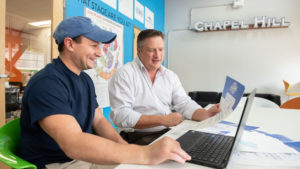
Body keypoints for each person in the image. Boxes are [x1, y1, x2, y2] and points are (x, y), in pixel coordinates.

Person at [18, 16, 191, 169]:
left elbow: (99, 120)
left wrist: (125, 148)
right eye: (93, 45)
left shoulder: (84, 80)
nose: (99, 53)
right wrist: (144, 153)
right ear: (70, 44)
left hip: (82, 157)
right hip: (57, 162)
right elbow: (72, 143)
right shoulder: (47, 83)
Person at [109, 29, 221, 145]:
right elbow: (121, 115)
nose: (157, 55)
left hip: (167, 132)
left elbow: (184, 103)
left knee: (201, 144)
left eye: (161, 49)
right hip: (137, 136)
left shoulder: (170, 76)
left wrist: (205, 113)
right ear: (139, 51)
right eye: (152, 50)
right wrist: (162, 120)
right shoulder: (124, 74)